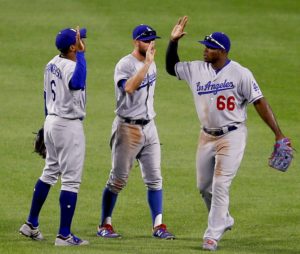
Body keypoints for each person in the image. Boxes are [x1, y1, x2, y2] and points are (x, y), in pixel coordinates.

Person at [166, 16, 289, 251]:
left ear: (221, 51)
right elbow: (172, 68)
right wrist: (173, 42)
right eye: (204, 46)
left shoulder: (241, 73)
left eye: (209, 47)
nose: (204, 50)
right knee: (204, 186)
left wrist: (278, 134)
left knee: (221, 184)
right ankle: (224, 219)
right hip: (206, 136)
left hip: (232, 136)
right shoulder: (196, 69)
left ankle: (212, 235)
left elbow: (259, 102)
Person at [96, 24, 175, 240]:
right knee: (118, 180)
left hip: (149, 127)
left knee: (155, 179)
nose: (151, 43)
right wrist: (147, 64)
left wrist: (149, 63)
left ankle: (158, 226)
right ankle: (104, 224)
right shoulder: (125, 64)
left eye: (153, 39)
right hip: (127, 128)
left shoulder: (152, 62)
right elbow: (129, 88)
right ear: (135, 41)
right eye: (146, 39)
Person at [19, 27, 89, 246]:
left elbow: (44, 95)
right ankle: (64, 235)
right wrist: (83, 56)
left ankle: (30, 224)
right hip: (68, 126)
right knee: (71, 180)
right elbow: (77, 83)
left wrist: (45, 125)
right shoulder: (73, 65)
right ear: (72, 47)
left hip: (52, 121)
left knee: (50, 172)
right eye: (79, 40)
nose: (82, 42)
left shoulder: (51, 63)